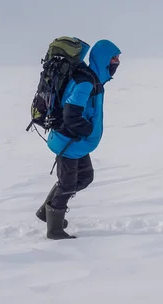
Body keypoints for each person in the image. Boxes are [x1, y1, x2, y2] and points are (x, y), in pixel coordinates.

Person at [35, 39, 121, 240]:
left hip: (76, 142)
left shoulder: (92, 79)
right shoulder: (85, 82)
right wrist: (87, 130)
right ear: (103, 58)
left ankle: (46, 213)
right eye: (114, 58)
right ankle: (54, 230)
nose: (117, 62)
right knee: (67, 184)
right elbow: (71, 114)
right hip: (69, 141)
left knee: (84, 178)